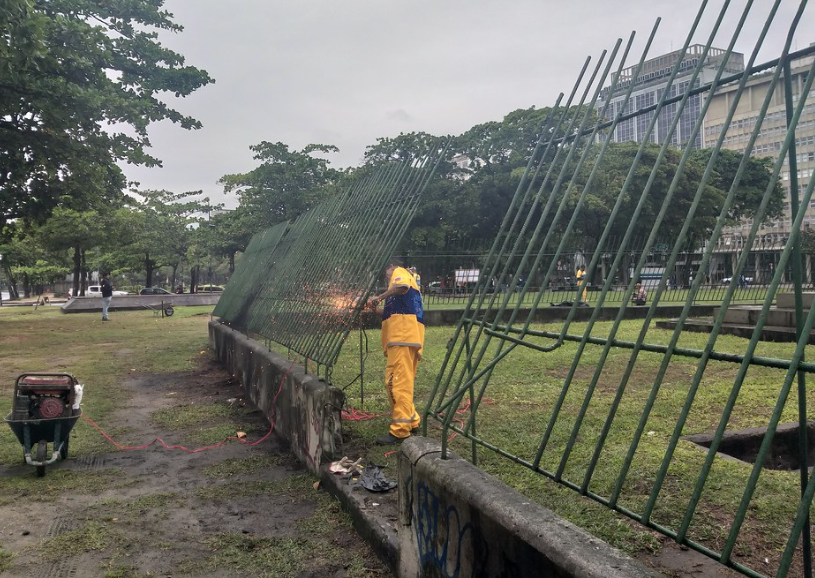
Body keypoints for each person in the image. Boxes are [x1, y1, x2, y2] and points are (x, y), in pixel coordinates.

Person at [367, 261, 424, 445]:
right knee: (402, 382)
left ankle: (400, 431)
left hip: (403, 337)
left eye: (387, 272)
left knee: (395, 384)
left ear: (393, 266)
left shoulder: (399, 275)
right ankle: (412, 419)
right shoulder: (397, 290)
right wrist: (374, 309)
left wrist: (379, 297)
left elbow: (401, 286)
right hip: (404, 338)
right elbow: (390, 311)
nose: (387, 277)